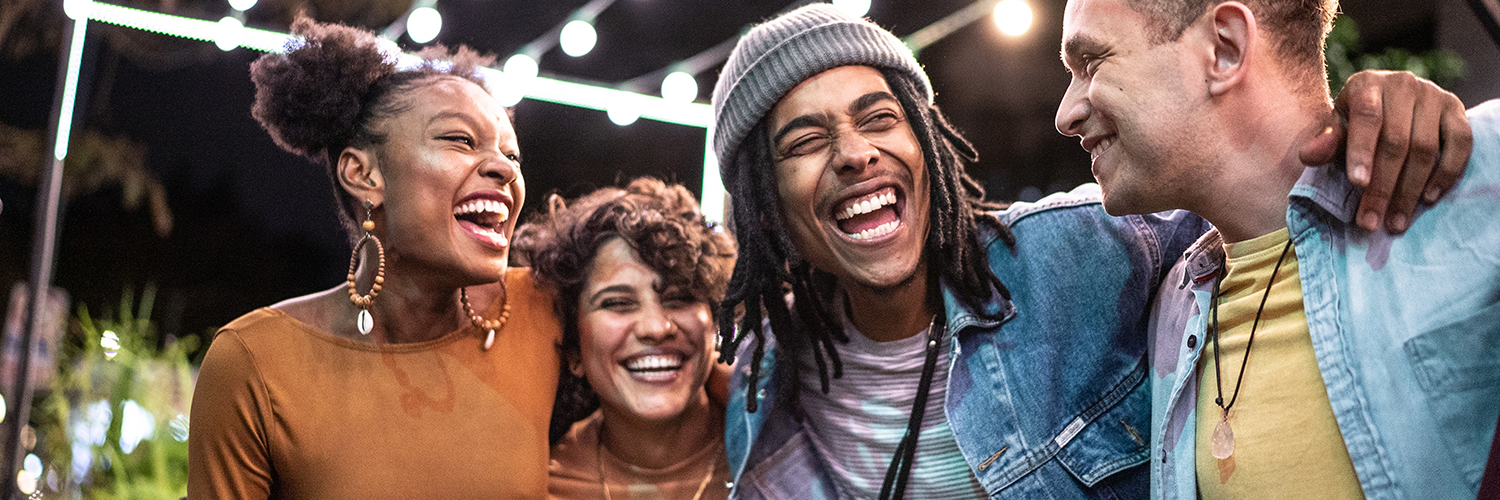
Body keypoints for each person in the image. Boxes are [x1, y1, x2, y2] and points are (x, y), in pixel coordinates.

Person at [708, 4, 1472, 499]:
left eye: (880, 118)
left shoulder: (1094, 253)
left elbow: (1273, 196)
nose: (854, 154)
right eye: (805, 143)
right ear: (764, 204)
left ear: (924, 142)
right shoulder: (757, 386)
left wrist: (1374, 114)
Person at [1053, 0, 1499, 498]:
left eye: (1091, 65)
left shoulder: (1473, 178)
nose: (1065, 115)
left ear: (1224, 49)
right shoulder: (1170, 307)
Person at [187, 18, 561, 498]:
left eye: (512, 156)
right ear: (363, 175)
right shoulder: (255, 363)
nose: (503, 170)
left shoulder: (544, 311)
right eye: (460, 140)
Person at [515, 178, 735, 500]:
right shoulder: (540, 484)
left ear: (714, 320)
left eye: (679, 297)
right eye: (617, 304)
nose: (657, 327)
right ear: (574, 349)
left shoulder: (785, 440)